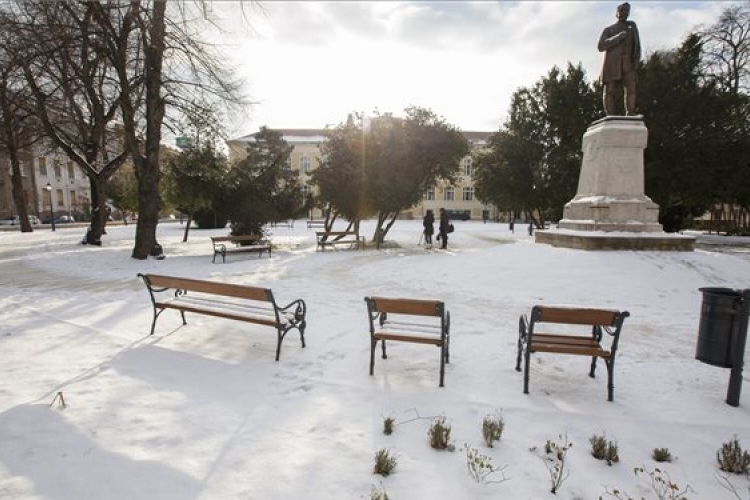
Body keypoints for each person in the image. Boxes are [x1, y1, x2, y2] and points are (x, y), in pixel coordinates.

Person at [597, 2, 641, 116]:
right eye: (621, 11)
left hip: (628, 63)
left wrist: (636, 60)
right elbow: (600, 46)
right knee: (609, 90)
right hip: (612, 63)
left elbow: (637, 46)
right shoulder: (609, 29)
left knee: (631, 89)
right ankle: (609, 114)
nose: (624, 13)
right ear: (616, 13)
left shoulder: (632, 28)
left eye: (626, 11)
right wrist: (617, 38)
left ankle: (630, 112)